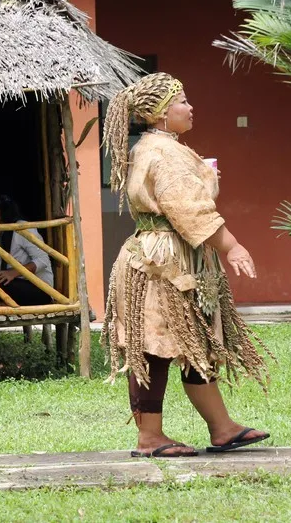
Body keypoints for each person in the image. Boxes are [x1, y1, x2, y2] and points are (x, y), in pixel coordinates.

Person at [100, 72, 270, 458]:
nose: (190, 108)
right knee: (154, 347)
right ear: (162, 113)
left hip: (164, 255)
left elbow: (184, 198)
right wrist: (233, 246)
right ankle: (150, 438)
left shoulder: (155, 147)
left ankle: (222, 427)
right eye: (182, 102)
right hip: (163, 262)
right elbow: (189, 211)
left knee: (196, 340)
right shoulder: (165, 153)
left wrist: (205, 178)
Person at [0, 192, 54, 306]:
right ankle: (3, 303)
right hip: (12, 285)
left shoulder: (22, 229)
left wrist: (14, 273)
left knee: (1, 284)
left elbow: (43, 260)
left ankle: (4, 304)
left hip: (39, 289)